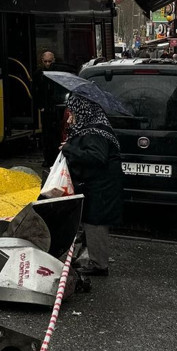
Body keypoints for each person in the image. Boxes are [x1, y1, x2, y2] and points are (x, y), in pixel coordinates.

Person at [59, 94, 124, 276]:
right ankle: (91, 258)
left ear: (83, 110)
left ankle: (99, 264)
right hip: (97, 185)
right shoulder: (91, 128)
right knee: (91, 221)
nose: (71, 114)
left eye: (73, 110)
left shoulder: (95, 131)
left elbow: (96, 157)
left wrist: (69, 148)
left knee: (96, 222)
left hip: (101, 187)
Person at [34, 50, 60, 167]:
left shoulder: (57, 73)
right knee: (47, 135)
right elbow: (35, 91)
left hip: (55, 107)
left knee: (55, 135)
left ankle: (55, 157)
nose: (48, 64)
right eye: (46, 61)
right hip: (46, 108)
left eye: (50, 61)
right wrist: (41, 106)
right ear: (42, 61)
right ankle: (48, 158)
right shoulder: (38, 74)